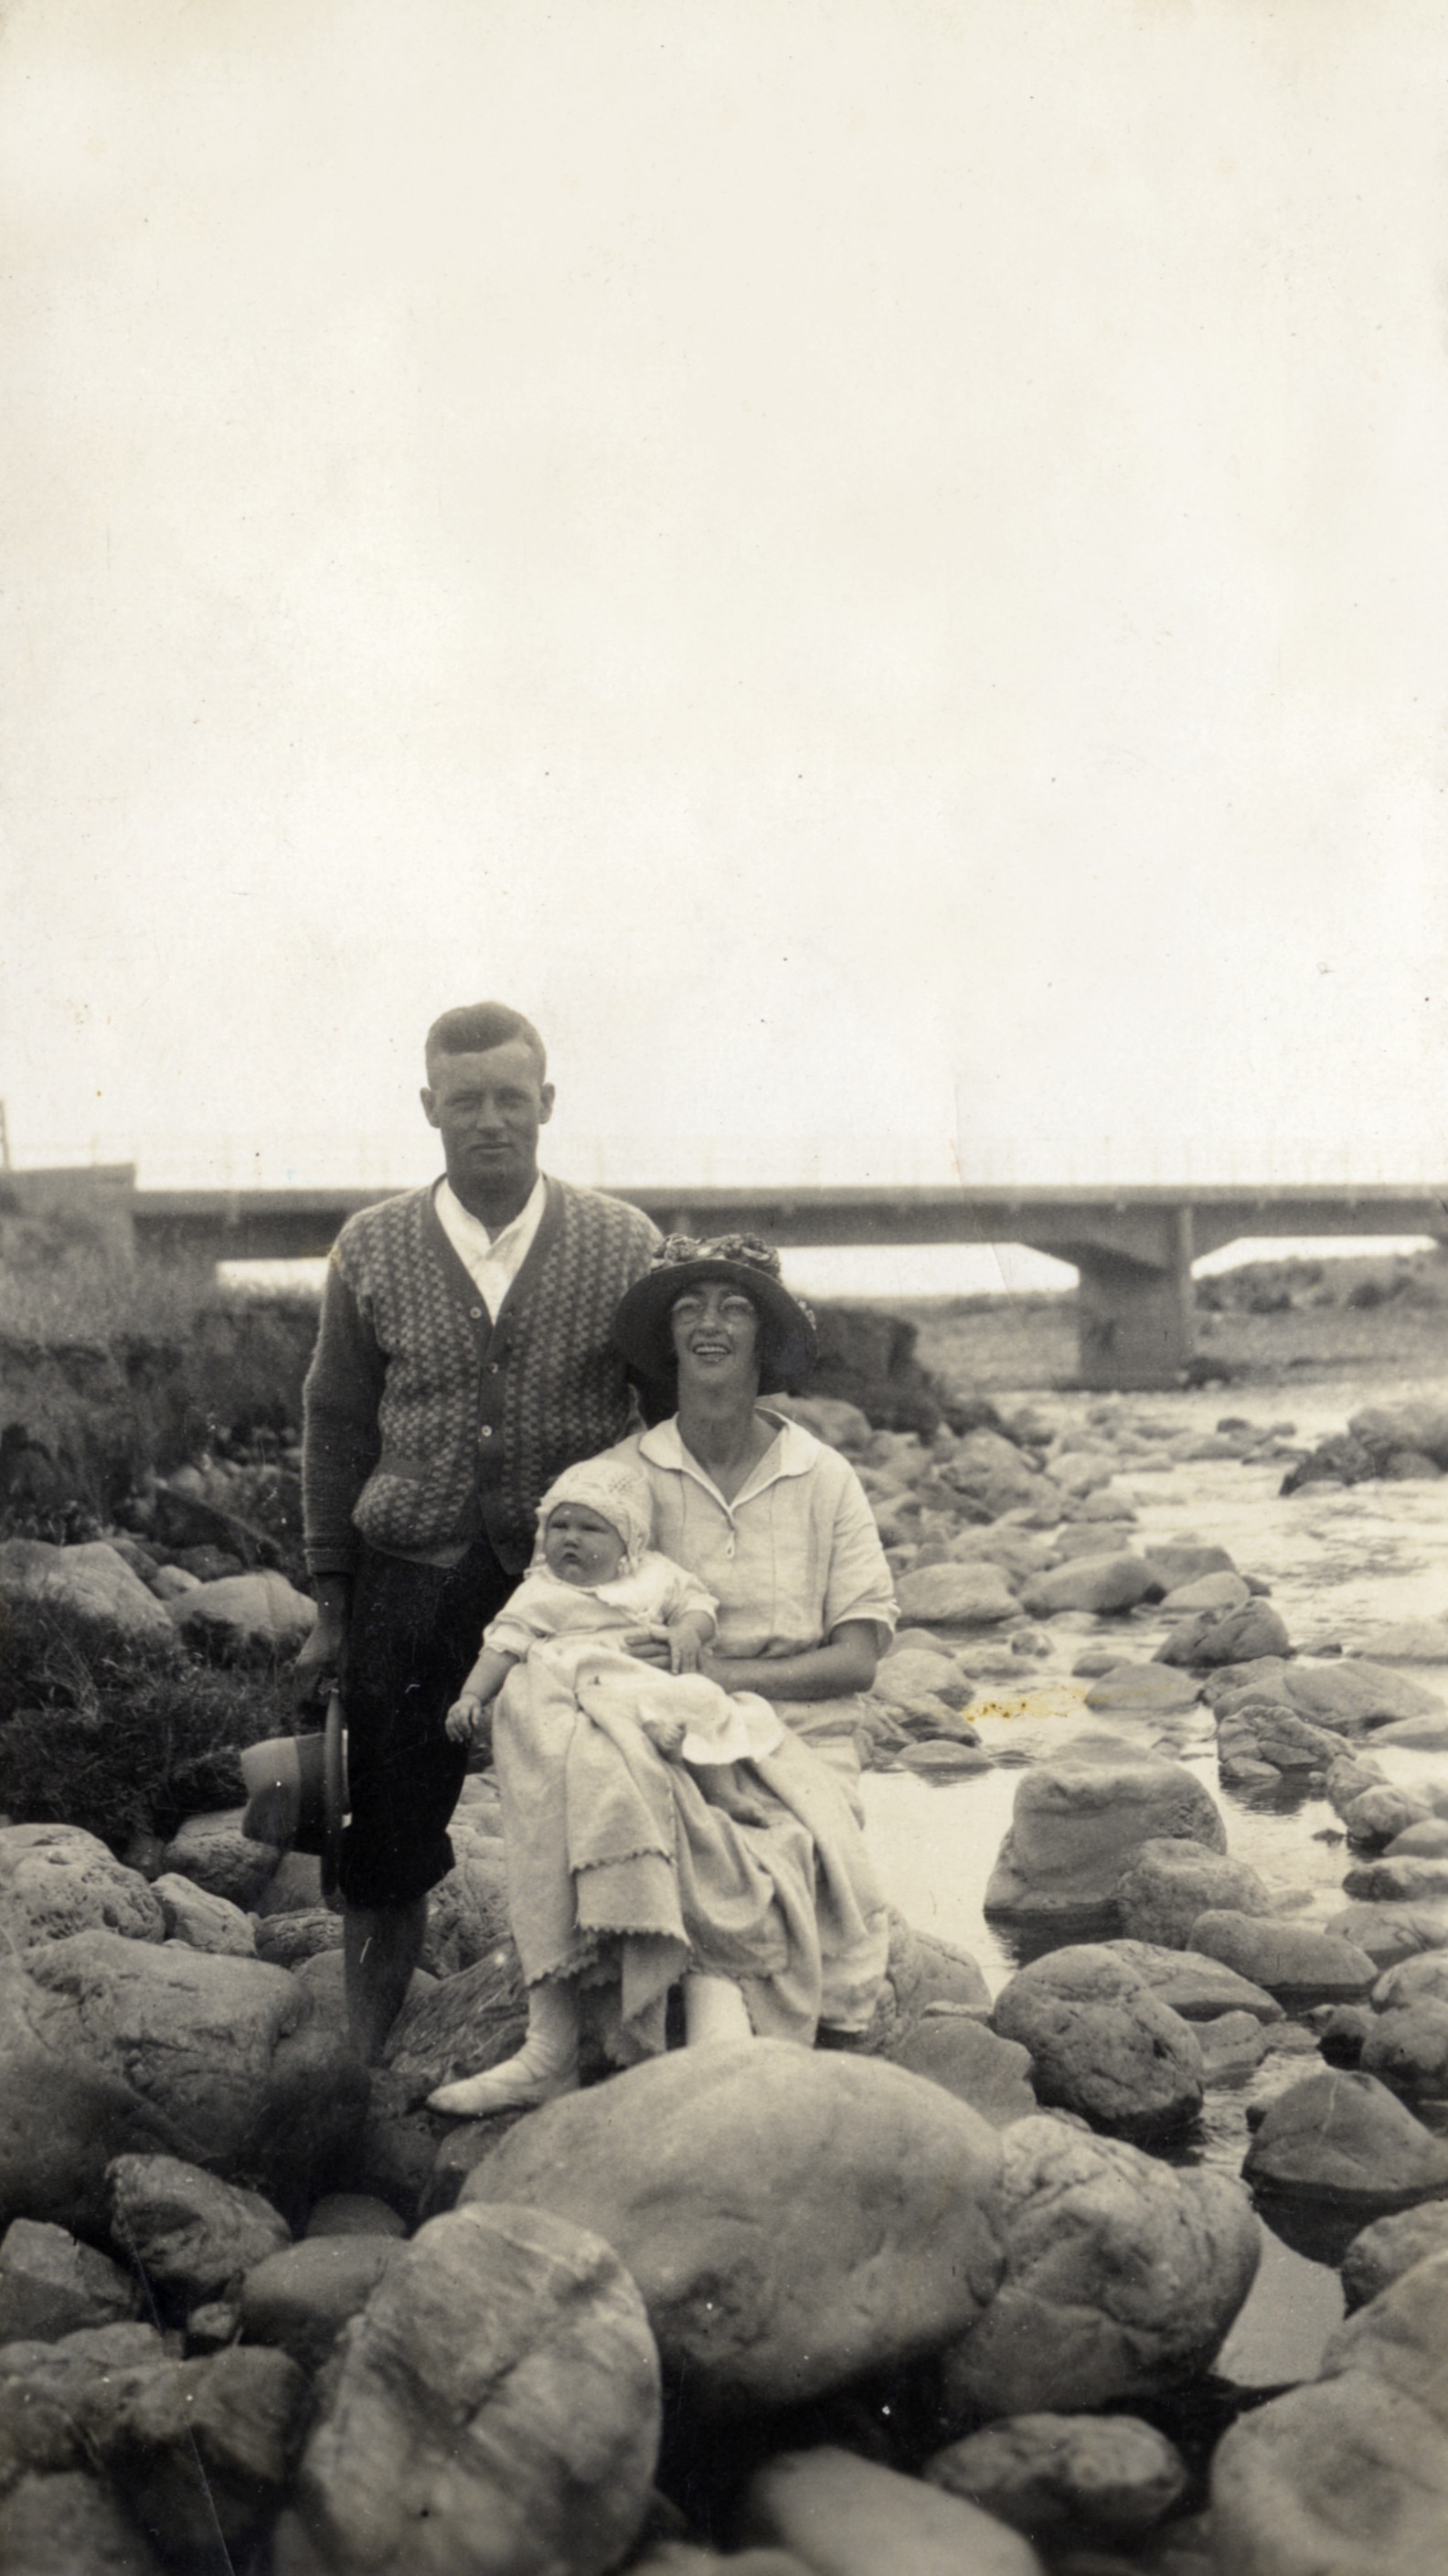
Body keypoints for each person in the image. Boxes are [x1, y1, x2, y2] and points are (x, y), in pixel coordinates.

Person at [428, 1232, 896, 2118]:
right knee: (544, 1696)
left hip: (794, 1738)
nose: (711, 1325)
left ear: (768, 1337)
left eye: (736, 1307)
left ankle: (704, 2059)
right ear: (667, 1338)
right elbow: (543, 1608)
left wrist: (714, 1669)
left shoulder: (823, 1476)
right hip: (652, 1737)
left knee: (799, 1913)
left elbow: (860, 1660)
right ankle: (553, 2041)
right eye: (690, 1307)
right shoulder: (617, 1478)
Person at [293, 1001, 660, 2060]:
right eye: (465, 1102)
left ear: (546, 1103)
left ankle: (607, 2045)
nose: (490, 1120)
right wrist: (330, 1601)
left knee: (605, 1815)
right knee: (387, 1833)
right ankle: (366, 2060)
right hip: (410, 1579)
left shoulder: (621, 1239)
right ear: (429, 1109)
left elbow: (661, 1421)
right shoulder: (370, 1246)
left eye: (511, 1098)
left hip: (575, 1586)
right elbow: (335, 1421)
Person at [442, 1454, 785, 1812]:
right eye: (560, 1526)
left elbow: (699, 1604)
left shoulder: (654, 1574)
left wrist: (688, 1630)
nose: (571, 1538)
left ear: (628, 1540)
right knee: (595, 1720)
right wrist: (472, 1695)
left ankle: (721, 1790)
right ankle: (651, 1734)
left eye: (590, 1529)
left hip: (649, 1678)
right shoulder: (540, 1590)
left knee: (701, 1695)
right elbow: (504, 1644)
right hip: (588, 1686)